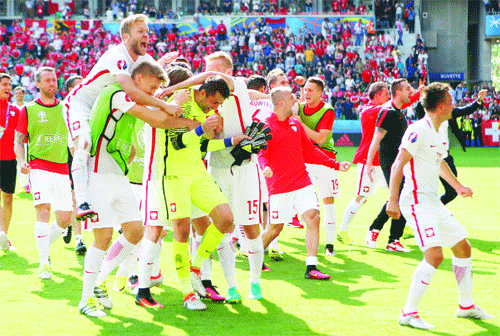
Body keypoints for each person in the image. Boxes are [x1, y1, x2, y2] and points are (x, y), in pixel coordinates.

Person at [77, 60, 188, 318]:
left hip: (117, 174)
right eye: (150, 87)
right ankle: (85, 299)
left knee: (136, 230)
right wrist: (174, 104)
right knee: (102, 237)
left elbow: (150, 108)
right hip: (96, 173)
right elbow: (157, 117)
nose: (151, 93)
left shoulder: (131, 97)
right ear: (137, 81)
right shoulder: (116, 93)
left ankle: (99, 281)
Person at [387, 82, 494, 330]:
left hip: (432, 201)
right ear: (442, 105)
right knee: (435, 255)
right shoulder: (418, 130)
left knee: (463, 248)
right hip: (415, 201)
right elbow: (397, 165)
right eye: (451, 100)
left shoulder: (442, 127)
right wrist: (392, 200)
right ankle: (408, 313)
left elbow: (440, 161)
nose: (454, 104)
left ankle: (465, 306)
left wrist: (457, 186)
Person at [64, 14, 181, 221]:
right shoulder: (116, 55)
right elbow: (133, 93)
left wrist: (164, 64)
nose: (146, 34)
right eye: (140, 31)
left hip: (106, 107)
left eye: (147, 31)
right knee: (84, 143)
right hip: (81, 103)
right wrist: (164, 105)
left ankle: (111, 194)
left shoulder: (144, 59)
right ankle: (82, 201)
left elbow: (155, 79)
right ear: (126, 37)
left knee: (129, 150)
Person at [258, 87, 350, 280]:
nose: (296, 100)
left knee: (313, 217)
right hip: (279, 186)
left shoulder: (295, 124)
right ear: (281, 103)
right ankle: (255, 257)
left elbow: (310, 151)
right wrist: (264, 167)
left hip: (302, 181)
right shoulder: (266, 126)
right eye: (292, 97)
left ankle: (311, 267)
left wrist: (334, 164)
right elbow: (262, 153)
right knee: (275, 229)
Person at [14, 67, 73, 278]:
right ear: (37, 84)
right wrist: (21, 161)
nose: (52, 83)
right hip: (38, 166)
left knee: (65, 219)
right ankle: (43, 263)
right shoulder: (28, 110)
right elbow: (19, 140)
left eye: (54, 79)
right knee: (44, 209)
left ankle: (43, 247)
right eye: (47, 80)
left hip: (62, 167)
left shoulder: (66, 108)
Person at [364, 78, 414, 252]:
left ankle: (380, 231)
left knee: (403, 196)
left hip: (401, 161)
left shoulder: (399, 112)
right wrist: (369, 163)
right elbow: (376, 138)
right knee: (400, 196)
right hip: (390, 162)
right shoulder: (388, 111)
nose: (411, 91)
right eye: (408, 88)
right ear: (398, 92)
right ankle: (390, 238)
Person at [338, 82, 390, 244]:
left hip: (383, 161)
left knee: (401, 192)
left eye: (390, 93)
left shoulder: (384, 110)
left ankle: (405, 228)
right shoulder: (368, 110)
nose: (388, 96)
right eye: (386, 93)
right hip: (368, 161)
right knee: (361, 197)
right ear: (377, 95)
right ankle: (342, 231)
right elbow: (390, 106)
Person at [414, 89, 487, 205]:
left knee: (452, 192)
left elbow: (467, 110)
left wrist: (479, 100)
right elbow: (418, 110)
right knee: (423, 192)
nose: (452, 104)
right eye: (449, 101)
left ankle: (435, 209)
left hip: (444, 156)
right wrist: (421, 96)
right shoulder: (428, 114)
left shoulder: (450, 112)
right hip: (428, 157)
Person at [296, 77, 340, 256]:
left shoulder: (327, 111)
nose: (306, 93)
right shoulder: (298, 107)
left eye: (310, 90)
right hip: (304, 160)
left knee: (327, 203)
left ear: (320, 93)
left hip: (324, 160)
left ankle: (329, 244)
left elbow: (321, 139)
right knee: (304, 202)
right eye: (305, 89)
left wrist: (299, 124)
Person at [63, 75, 86, 255]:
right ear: (70, 90)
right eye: (78, 85)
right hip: (71, 153)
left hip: (86, 151)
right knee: (75, 196)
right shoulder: (66, 107)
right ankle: (79, 239)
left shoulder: (89, 104)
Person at [0, 74, 20, 251]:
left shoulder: (15, 110)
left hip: (9, 160)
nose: (8, 87)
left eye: (10, 84)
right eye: (4, 84)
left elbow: (22, 135)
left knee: (8, 198)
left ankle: (3, 236)